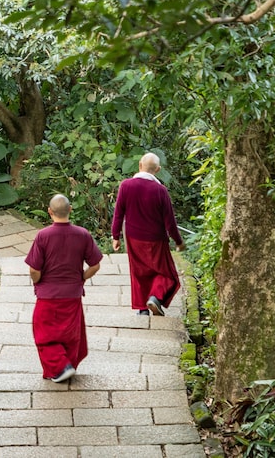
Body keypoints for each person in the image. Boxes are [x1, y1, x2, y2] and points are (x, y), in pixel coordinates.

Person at [26, 194, 103, 382]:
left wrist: (39, 282)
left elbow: (34, 269)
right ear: (70, 209)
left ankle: (61, 367)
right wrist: (80, 278)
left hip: (48, 295)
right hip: (72, 294)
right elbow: (95, 265)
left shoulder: (43, 236)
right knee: (70, 334)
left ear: (49, 212)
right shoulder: (82, 234)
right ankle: (66, 364)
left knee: (43, 334)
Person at [111, 152, 185, 317]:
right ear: (157, 169)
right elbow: (170, 222)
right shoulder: (160, 190)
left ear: (139, 165)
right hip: (156, 239)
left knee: (139, 272)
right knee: (168, 274)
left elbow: (118, 213)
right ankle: (155, 297)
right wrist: (178, 242)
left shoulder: (126, 185)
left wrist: (115, 236)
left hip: (133, 238)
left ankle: (142, 309)